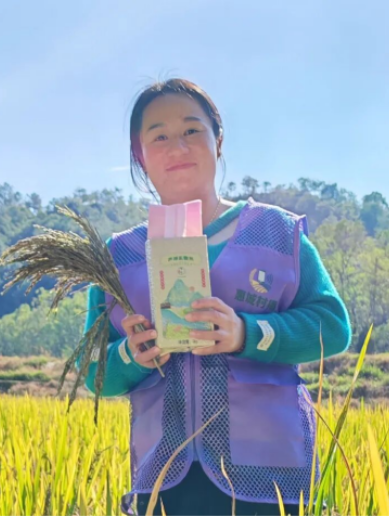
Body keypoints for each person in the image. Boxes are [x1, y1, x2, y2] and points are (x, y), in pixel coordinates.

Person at [83, 78, 351, 516]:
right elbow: (95, 372)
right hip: (164, 481)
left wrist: (247, 333)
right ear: (140, 154)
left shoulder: (276, 232)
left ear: (218, 141)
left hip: (270, 480)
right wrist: (133, 355)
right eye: (159, 136)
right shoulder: (119, 257)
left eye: (192, 130)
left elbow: (333, 327)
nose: (178, 146)